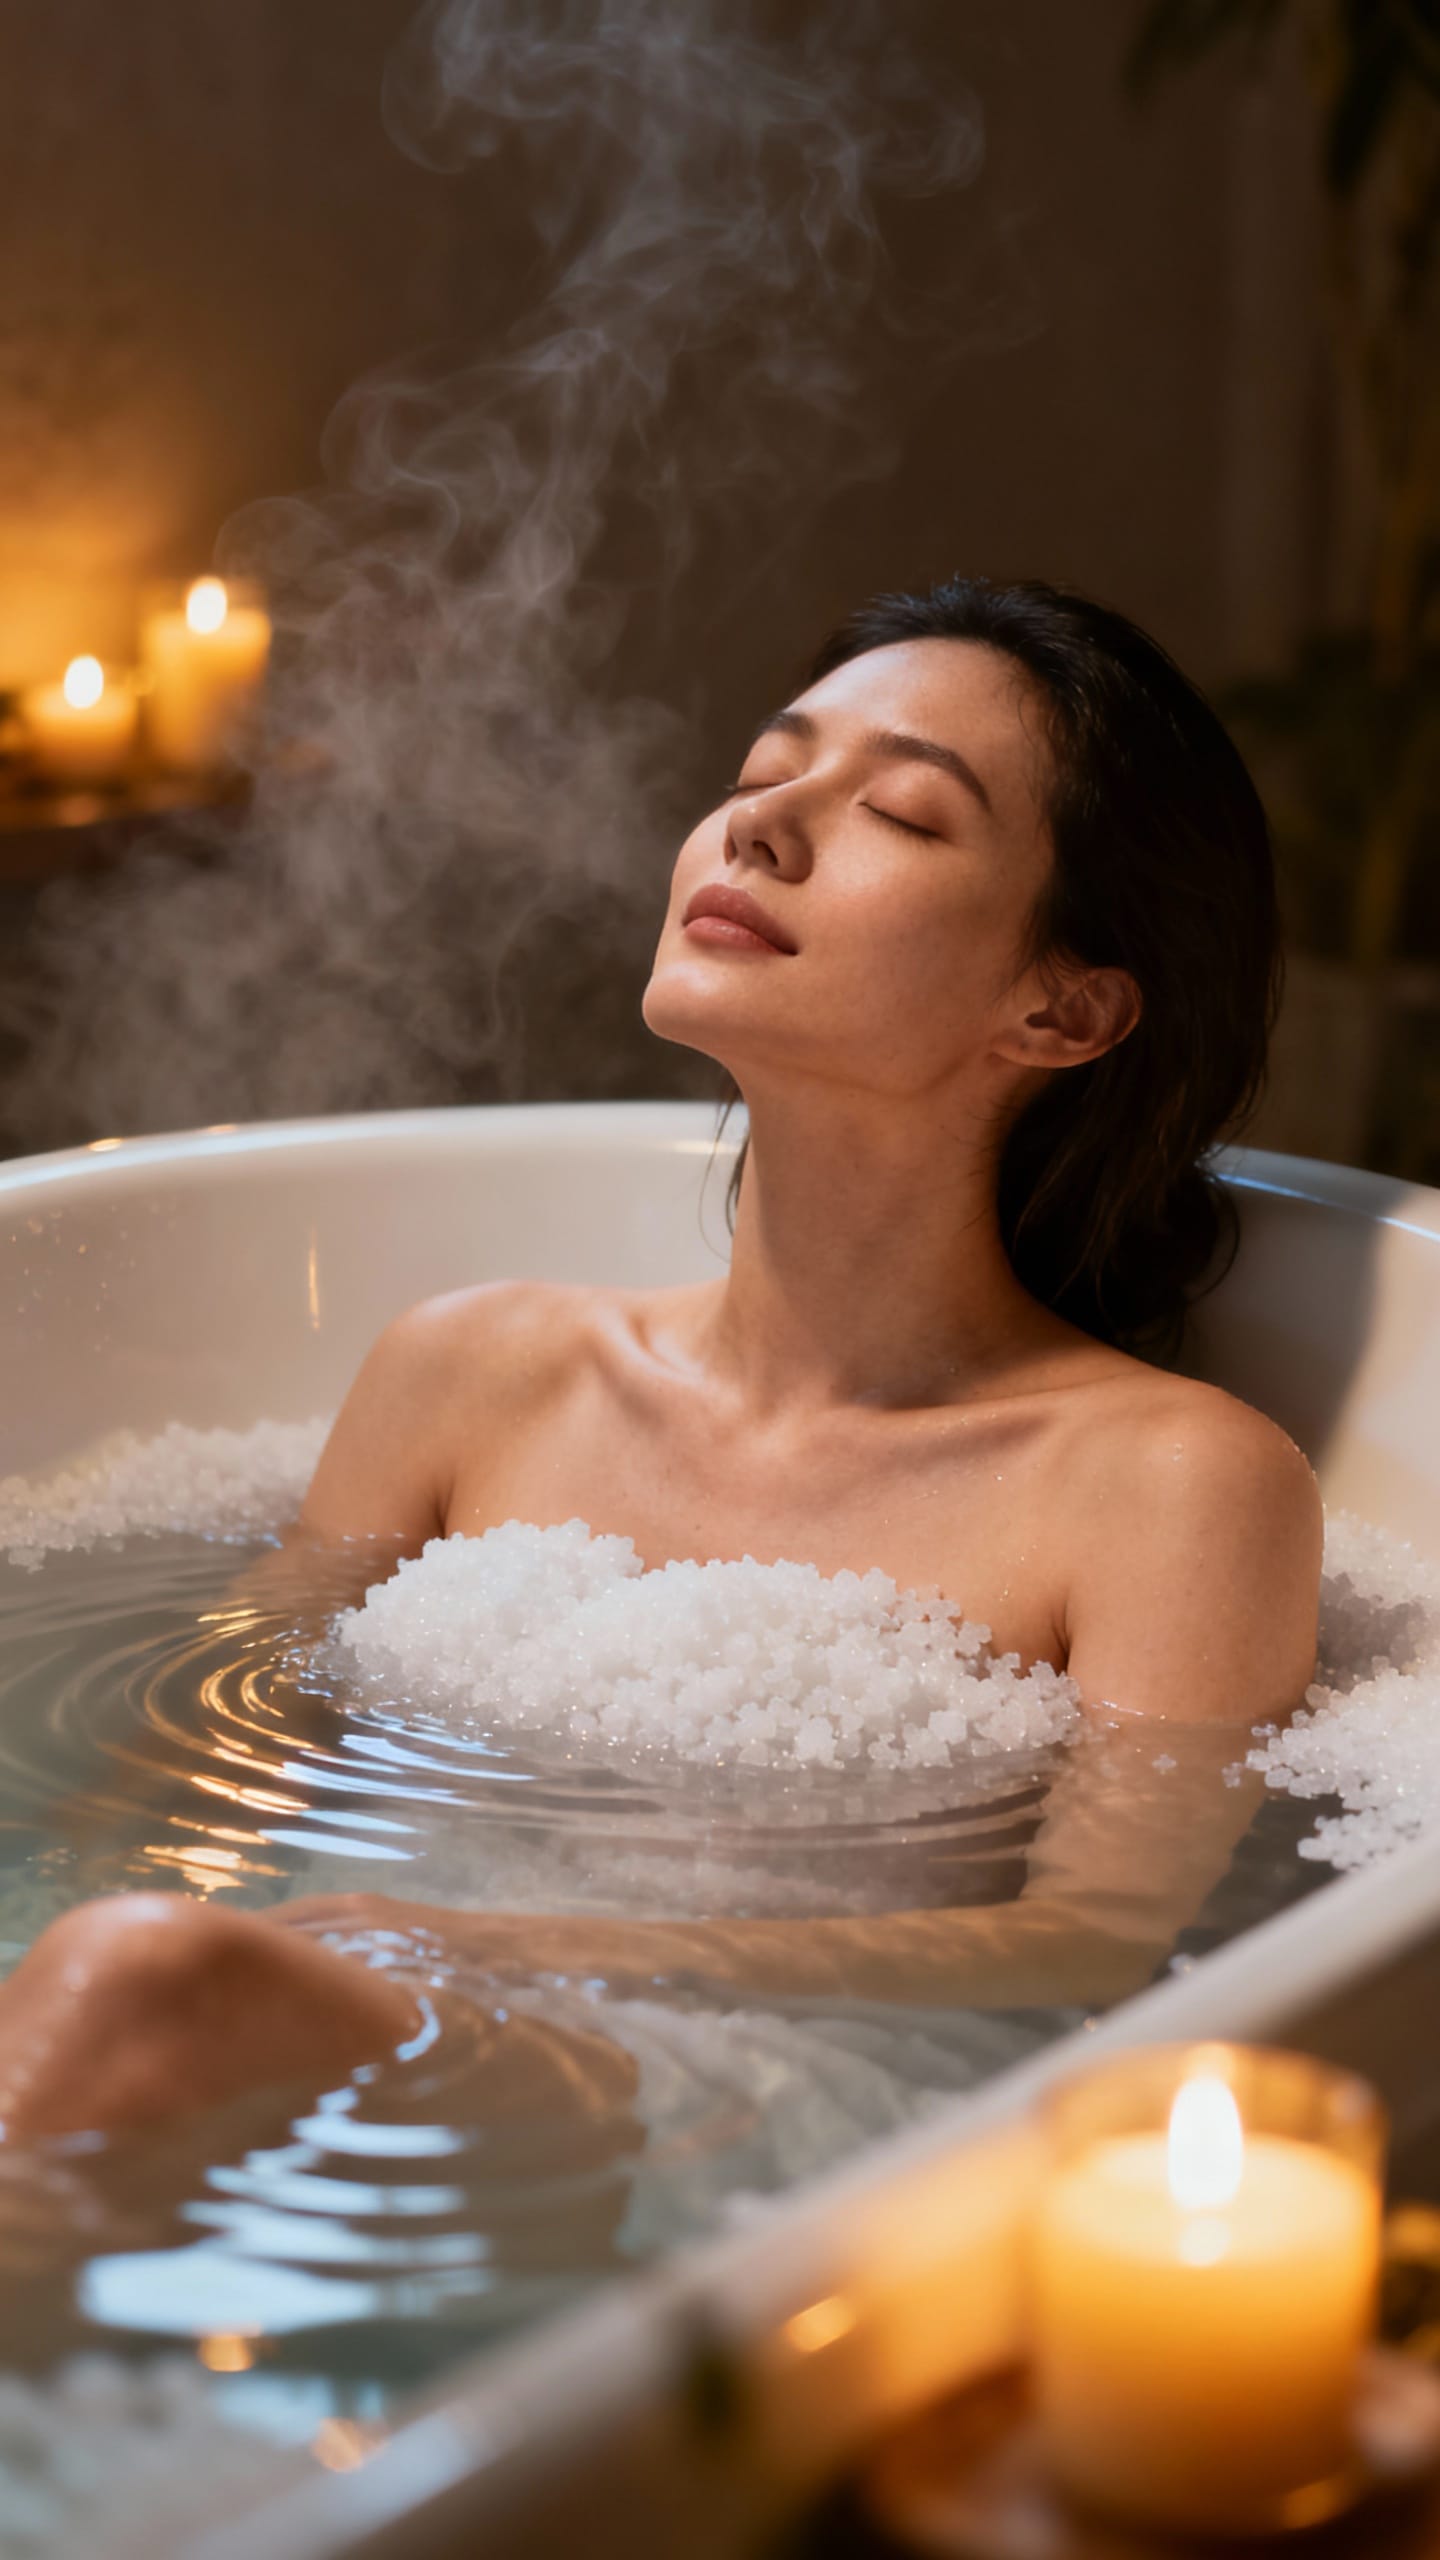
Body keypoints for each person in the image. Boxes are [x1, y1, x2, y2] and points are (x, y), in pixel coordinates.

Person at [0, 578, 1323, 2141]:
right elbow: (185, 1766)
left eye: (902, 812)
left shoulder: (1169, 1485)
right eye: (763, 777)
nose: (757, 829)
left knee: (137, 1978)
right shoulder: (470, 1370)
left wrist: (504, 1952)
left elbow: (1091, 1943)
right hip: (338, 2025)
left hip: (757, 2118)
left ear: (1063, 1007)